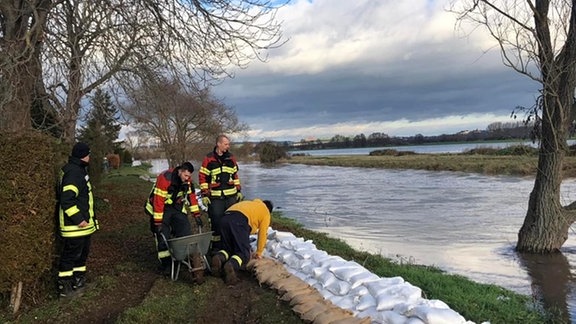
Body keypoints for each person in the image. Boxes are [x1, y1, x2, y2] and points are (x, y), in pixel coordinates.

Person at [57, 142, 99, 297]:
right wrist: (79, 219)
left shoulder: (78, 170)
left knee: (81, 255)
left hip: (82, 226)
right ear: (83, 155)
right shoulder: (74, 173)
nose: (89, 157)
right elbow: (67, 200)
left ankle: (78, 282)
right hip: (74, 226)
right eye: (88, 154)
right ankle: (65, 289)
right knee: (70, 256)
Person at [145, 161, 202, 274]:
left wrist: (197, 215)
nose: (187, 178)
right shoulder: (165, 178)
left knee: (185, 230)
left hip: (176, 207)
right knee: (162, 237)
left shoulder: (188, 181)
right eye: (185, 175)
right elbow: (158, 202)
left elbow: (192, 197)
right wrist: (158, 222)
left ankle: (182, 256)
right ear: (180, 171)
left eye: (189, 176)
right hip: (161, 209)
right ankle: (166, 264)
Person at [211, 199, 273, 285]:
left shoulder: (251, 204)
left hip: (225, 218)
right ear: (269, 210)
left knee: (227, 249)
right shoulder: (265, 212)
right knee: (243, 254)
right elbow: (262, 233)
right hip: (239, 221)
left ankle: (218, 257)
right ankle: (231, 265)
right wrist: (259, 252)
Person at [199, 134, 243, 253]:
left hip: (231, 197)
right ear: (218, 144)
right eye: (226, 144)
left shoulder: (231, 158)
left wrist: (238, 190)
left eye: (228, 144)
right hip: (216, 198)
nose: (228, 146)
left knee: (232, 221)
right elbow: (203, 177)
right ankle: (216, 248)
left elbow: (235, 175)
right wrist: (204, 194)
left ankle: (231, 246)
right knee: (216, 222)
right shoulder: (208, 159)